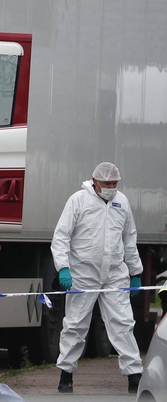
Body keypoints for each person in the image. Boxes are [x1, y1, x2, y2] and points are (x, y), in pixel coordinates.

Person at [51, 162, 143, 394]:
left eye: (115, 183)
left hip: (114, 274)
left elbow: (129, 238)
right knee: (74, 325)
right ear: (95, 182)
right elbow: (61, 236)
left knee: (123, 324)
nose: (111, 187)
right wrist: (63, 267)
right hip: (83, 274)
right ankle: (66, 375)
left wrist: (135, 272)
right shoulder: (78, 201)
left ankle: (134, 377)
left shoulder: (122, 202)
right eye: (107, 183)